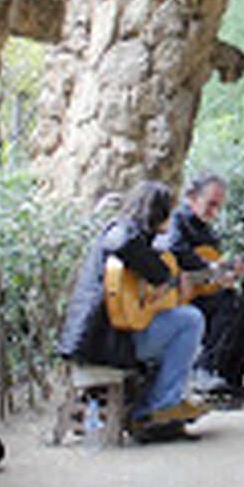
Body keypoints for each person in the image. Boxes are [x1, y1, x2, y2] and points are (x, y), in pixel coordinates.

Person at [56, 180, 209, 441]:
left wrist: (173, 285)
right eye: (168, 212)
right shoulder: (121, 231)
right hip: (102, 342)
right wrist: (161, 277)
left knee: (178, 320)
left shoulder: (135, 237)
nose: (171, 219)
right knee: (189, 321)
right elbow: (122, 243)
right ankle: (157, 408)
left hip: (106, 338)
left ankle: (161, 402)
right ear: (156, 212)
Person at [164, 173, 244, 406]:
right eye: (210, 204)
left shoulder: (209, 233)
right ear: (193, 197)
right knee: (230, 304)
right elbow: (174, 249)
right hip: (174, 297)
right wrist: (209, 267)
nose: (214, 212)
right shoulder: (178, 220)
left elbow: (209, 279)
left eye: (218, 206)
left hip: (200, 294)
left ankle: (231, 378)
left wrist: (225, 276)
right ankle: (204, 370)